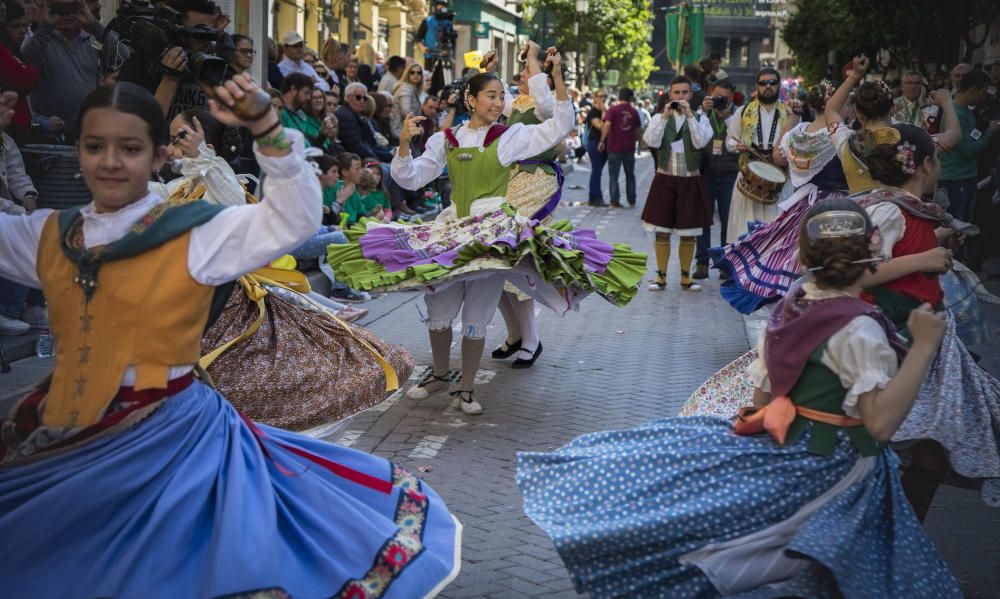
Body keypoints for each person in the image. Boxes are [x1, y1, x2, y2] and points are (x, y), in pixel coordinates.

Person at [0, 75, 461, 597]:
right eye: (94, 146)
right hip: (66, 436)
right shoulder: (48, 235)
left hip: (168, 441)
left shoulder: (194, 231)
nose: (110, 161)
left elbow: (293, 216)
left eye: (129, 148)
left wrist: (268, 128)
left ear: (157, 157)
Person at [518, 197, 959, 598]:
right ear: (874, 257)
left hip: (783, 443)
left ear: (803, 257)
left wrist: (749, 443)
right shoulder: (862, 329)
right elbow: (879, 426)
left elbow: (764, 395)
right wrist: (921, 348)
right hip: (832, 468)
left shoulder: (794, 301)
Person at [329, 57, 643, 415]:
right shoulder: (446, 138)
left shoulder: (509, 136)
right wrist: (403, 145)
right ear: (471, 100)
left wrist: (555, 78)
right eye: (491, 96)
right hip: (452, 231)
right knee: (440, 308)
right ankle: (440, 375)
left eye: (501, 96)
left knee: (477, 314)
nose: (498, 103)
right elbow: (410, 178)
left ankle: (466, 388)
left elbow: (559, 126)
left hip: (492, 233)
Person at [710, 82, 852, 313]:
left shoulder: (799, 133)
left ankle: (797, 313)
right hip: (834, 206)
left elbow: (777, 156)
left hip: (803, 204)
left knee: (798, 258)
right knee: (828, 265)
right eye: (846, 104)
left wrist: (791, 121)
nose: (848, 109)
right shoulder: (840, 135)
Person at [491, 43, 559, 369]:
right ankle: (516, 334)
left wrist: (533, 58)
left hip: (537, 181)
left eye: (529, 73)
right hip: (513, 179)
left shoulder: (550, 106)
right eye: (522, 72)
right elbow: (491, 100)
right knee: (493, 259)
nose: (523, 76)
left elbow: (542, 96)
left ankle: (530, 338)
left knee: (518, 258)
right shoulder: (517, 102)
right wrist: (486, 71)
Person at [640, 75, 714, 292]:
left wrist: (690, 116)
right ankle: (661, 276)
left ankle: (685, 277)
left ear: (690, 95)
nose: (680, 97)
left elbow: (701, 142)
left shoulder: (700, 119)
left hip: (690, 179)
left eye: (684, 93)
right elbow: (650, 141)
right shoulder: (658, 118)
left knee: (688, 231)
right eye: (676, 93)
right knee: (661, 230)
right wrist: (664, 116)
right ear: (669, 95)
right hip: (665, 178)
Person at [22, 0, 119, 127]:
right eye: (61, 9)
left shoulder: (94, 41)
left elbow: (121, 55)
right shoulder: (42, 41)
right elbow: (27, 64)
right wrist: (46, 25)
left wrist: (94, 24)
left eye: (72, 9)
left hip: (88, 126)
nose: (67, 15)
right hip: (51, 134)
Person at [724, 67, 791, 242]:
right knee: (743, 228)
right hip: (749, 175)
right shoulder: (743, 111)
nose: (767, 86)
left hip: (779, 179)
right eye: (763, 83)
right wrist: (737, 145)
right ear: (757, 86)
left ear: (778, 86)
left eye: (772, 83)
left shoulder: (789, 113)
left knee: (775, 230)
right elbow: (729, 141)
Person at [937, 69, 999, 223]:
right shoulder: (956, 114)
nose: (983, 97)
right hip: (955, 179)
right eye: (982, 92)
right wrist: (989, 133)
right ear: (972, 90)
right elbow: (967, 150)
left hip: (965, 177)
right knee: (956, 228)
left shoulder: (966, 111)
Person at [693, 78, 739, 280]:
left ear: (731, 97)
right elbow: (694, 135)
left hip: (730, 173)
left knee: (729, 221)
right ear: (711, 93)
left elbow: (740, 138)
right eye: (717, 96)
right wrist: (703, 111)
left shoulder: (738, 114)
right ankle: (702, 262)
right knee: (703, 219)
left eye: (725, 98)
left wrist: (728, 116)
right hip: (707, 173)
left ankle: (724, 264)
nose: (721, 101)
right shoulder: (703, 112)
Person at [599, 86, 640, 207]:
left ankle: (614, 200)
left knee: (613, 175)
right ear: (631, 98)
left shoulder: (613, 110)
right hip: (629, 148)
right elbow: (638, 130)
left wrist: (602, 141)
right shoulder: (634, 111)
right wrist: (637, 142)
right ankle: (631, 200)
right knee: (630, 175)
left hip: (614, 148)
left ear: (619, 96)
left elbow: (606, 125)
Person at [335, 82, 393, 162]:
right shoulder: (346, 116)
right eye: (358, 97)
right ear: (348, 97)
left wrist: (390, 154)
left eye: (365, 98)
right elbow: (356, 147)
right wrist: (377, 162)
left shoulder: (356, 115)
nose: (362, 101)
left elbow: (370, 145)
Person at [416, 0, 454, 70]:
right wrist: (422, 47)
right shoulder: (427, 21)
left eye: (444, 6)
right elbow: (418, 37)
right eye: (440, 6)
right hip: (430, 55)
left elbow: (451, 37)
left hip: (444, 56)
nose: (441, 8)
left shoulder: (448, 22)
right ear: (435, 7)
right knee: (429, 76)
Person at [391, 62, 424, 139]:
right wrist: (418, 124)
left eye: (419, 73)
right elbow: (406, 111)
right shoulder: (405, 89)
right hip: (400, 130)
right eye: (412, 72)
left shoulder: (412, 89)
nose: (416, 75)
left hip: (406, 130)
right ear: (407, 74)